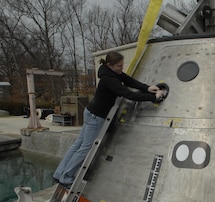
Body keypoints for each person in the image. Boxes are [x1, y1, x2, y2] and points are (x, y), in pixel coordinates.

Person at [53, 51, 164, 188]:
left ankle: (59, 174)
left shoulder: (111, 72)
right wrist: (153, 98)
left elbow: (128, 80)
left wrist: (146, 87)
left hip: (90, 112)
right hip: (96, 117)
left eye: (122, 65)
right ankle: (67, 177)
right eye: (119, 66)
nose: (121, 68)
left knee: (78, 145)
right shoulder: (108, 79)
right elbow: (127, 93)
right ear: (111, 65)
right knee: (85, 148)